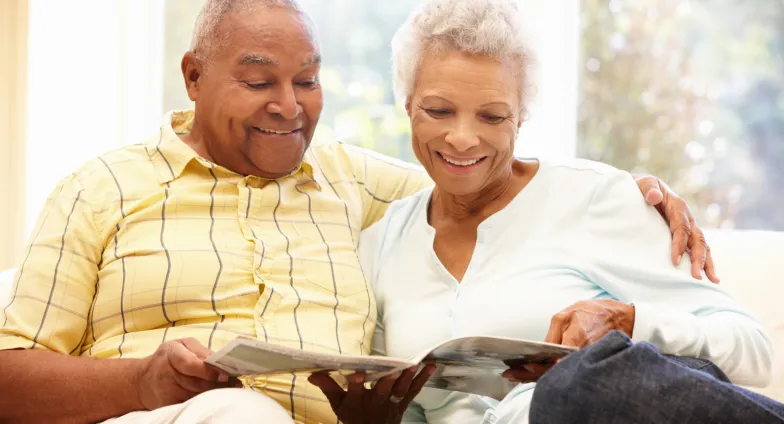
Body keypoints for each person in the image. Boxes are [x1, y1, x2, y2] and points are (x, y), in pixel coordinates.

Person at [0, 0, 719, 423]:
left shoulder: (352, 180)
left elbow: (474, 167)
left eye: (307, 81)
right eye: (258, 81)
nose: (289, 106)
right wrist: (142, 381)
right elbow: (9, 375)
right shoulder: (102, 189)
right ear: (193, 77)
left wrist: (633, 187)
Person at [308, 0, 782, 423]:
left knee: (577, 385)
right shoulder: (381, 244)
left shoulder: (595, 198)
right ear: (408, 104)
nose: (462, 138)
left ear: (522, 116)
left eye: (492, 116)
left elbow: (752, 349)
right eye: (438, 111)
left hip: (587, 407)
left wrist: (629, 321)